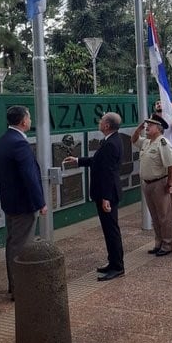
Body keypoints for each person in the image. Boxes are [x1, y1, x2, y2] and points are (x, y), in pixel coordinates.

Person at [64, 112, 125, 280]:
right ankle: (112, 261)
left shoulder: (111, 143)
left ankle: (118, 267)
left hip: (108, 194)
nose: (99, 122)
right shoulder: (111, 140)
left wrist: (105, 197)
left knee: (112, 231)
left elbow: (107, 172)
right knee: (108, 230)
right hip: (107, 192)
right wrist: (78, 160)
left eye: (101, 120)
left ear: (106, 125)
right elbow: (98, 161)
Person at [0, 105, 47, 300]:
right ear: (23, 121)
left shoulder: (3, 140)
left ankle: (14, 285)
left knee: (12, 243)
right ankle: (21, 289)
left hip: (10, 203)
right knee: (22, 246)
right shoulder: (19, 144)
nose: (31, 121)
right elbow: (30, 177)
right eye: (29, 118)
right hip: (23, 204)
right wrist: (40, 202)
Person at [131, 114, 172, 255]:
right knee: (155, 216)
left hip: (160, 183)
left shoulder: (162, 143)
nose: (147, 127)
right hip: (148, 184)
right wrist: (138, 129)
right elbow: (133, 140)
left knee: (164, 216)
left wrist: (169, 183)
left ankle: (167, 245)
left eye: (150, 125)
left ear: (158, 128)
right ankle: (158, 242)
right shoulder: (147, 142)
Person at [154, 99, 172, 214]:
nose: (159, 104)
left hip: (170, 152)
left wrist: (171, 114)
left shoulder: (171, 118)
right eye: (157, 103)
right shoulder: (152, 118)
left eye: (161, 102)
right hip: (156, 153)